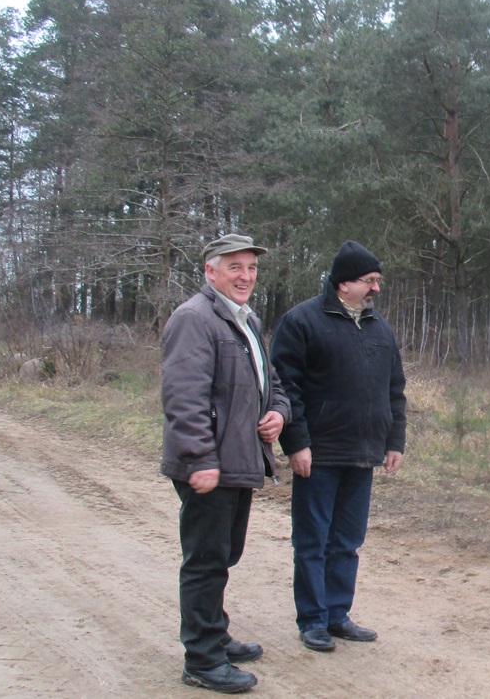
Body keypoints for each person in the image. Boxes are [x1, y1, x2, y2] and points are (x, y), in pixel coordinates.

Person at [161, 233, 290, 693]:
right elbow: (184, 397)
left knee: (224, 554)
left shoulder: (246, 320)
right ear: (210, 271)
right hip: (210, 463)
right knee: (206, 560)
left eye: (251, 268)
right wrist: (199, 458)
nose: (246, 276)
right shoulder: (194, 319)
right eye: (234, 266)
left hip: (239, 458)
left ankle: (214, 633)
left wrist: (278, 413)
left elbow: (269, 383)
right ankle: (202, 658)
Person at [269, 240, 407, 653]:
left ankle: (336, 614)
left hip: (363, 453)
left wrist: (394, 440)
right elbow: (284, 387)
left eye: (377, 281)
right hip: (319, 452)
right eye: (369, 281)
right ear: (344, 283)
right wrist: (296, 443)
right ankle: (312, 620)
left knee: (347, 540)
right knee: (312, 540)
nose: (376, 289)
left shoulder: (380, 329)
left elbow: (394, 391)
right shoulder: (302, 322)